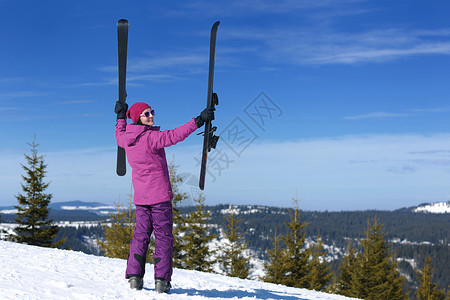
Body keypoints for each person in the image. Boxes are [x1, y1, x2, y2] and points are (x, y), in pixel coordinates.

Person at [114, 100, 214, 293]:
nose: (151, 115)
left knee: (141, 236)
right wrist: (199, 120)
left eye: (151, 112)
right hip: (159, 198)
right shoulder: (151, 138)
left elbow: (118, 133)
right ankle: (162, 281)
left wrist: (119, 117)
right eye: (146, 114)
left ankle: (135, 278)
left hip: (141, 199)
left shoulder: (126, 139)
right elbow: (175, 135)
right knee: (163, 238)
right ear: (138, 119)